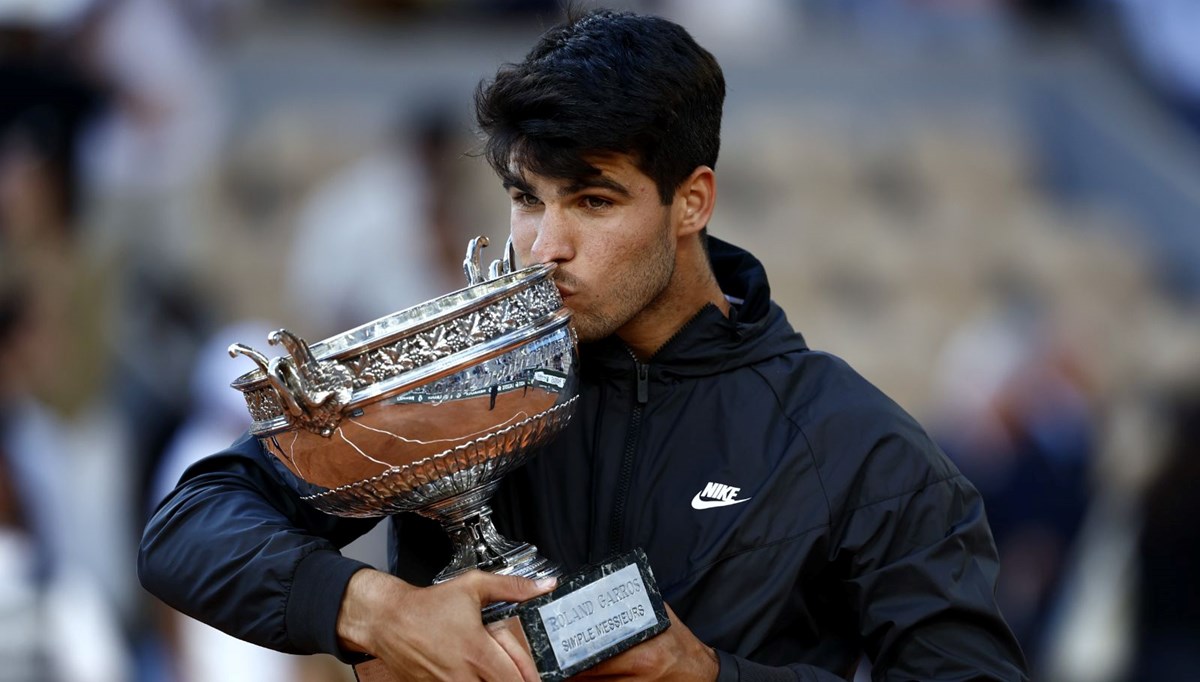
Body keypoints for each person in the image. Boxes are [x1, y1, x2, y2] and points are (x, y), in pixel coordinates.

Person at [139, 8, 1029, 681]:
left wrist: (709, 677)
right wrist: (372, 610)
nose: (544, 245)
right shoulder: (459, 392)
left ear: (693, 201)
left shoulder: (856, 446)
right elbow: (188, 528)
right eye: (529, 198)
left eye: (593, 201)